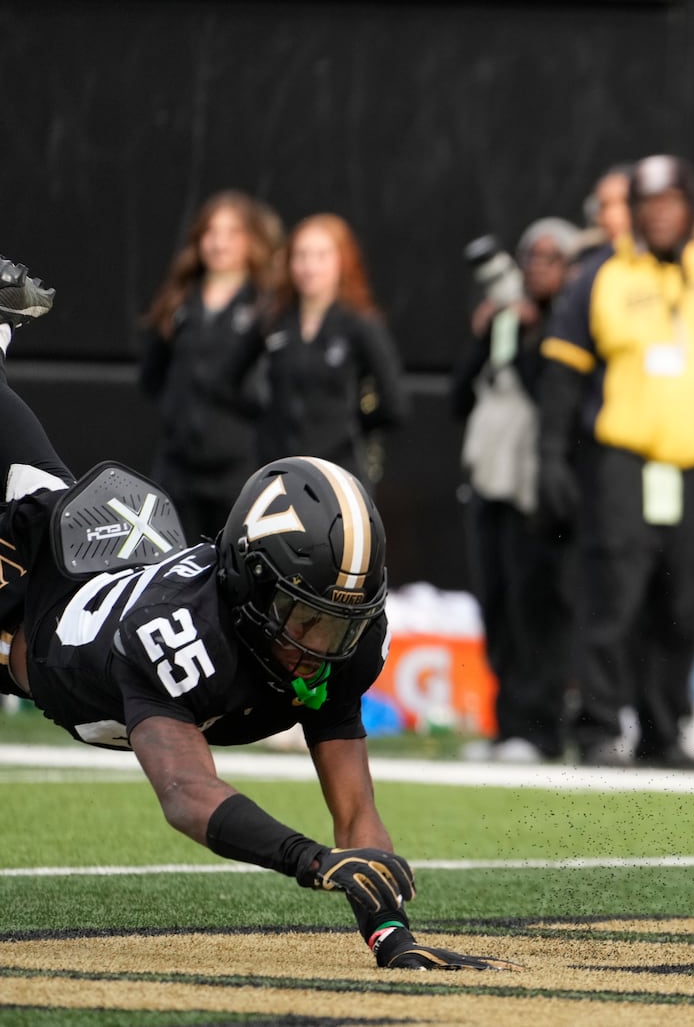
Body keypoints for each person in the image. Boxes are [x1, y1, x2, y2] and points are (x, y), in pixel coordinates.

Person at [0, 259, 502, 971]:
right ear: (250, 587)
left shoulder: (338, 642)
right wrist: (309, 859)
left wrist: (391, 931)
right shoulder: (183, 634)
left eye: (342, 623)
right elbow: (186, 791)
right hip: (38, 611)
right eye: (306, 617)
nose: (324, 645)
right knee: (31, 486)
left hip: (103, 567)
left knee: (36, 474)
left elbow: (356, 813)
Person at [538, 155, 694, 767]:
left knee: (685, 601)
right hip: (623, 462)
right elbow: (563, 377)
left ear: (691, 208)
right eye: (649, 204)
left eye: (673, 202)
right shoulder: (600, 277)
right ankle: (596, 728)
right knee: (614, 595)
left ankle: (662, 729)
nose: (662, 214)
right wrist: (551, 456)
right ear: (636, 214)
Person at [450, 219, 582, 763]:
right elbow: (461, 397)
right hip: (490, 482)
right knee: (499, 607)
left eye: (551, 257)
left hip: (537, 488)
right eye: (530, 255)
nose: (536, 267)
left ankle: (541, 730)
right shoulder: (505, 321)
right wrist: (490, 334)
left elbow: (542, 392)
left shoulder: (570, 327)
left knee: (537, 613)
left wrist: (532, 334)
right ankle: (507, 726)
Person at [138, 191, 283, 539]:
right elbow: (152, 376)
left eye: (232, 233)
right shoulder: (179, 302)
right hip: (178, 468)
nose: (219, 243)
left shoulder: (267, 307)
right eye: (211, 233)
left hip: (239, 470)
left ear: (251, 241)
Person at [225, 214, 409, 488]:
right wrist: (265, 418)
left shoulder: (360, 324)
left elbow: (396, 405)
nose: (309, 267)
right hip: (278, 474)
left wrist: (351, 425)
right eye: (301, 255)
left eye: (321, 256)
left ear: (341, 261)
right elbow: (228, 377)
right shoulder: (273, 319)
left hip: (337, 475)